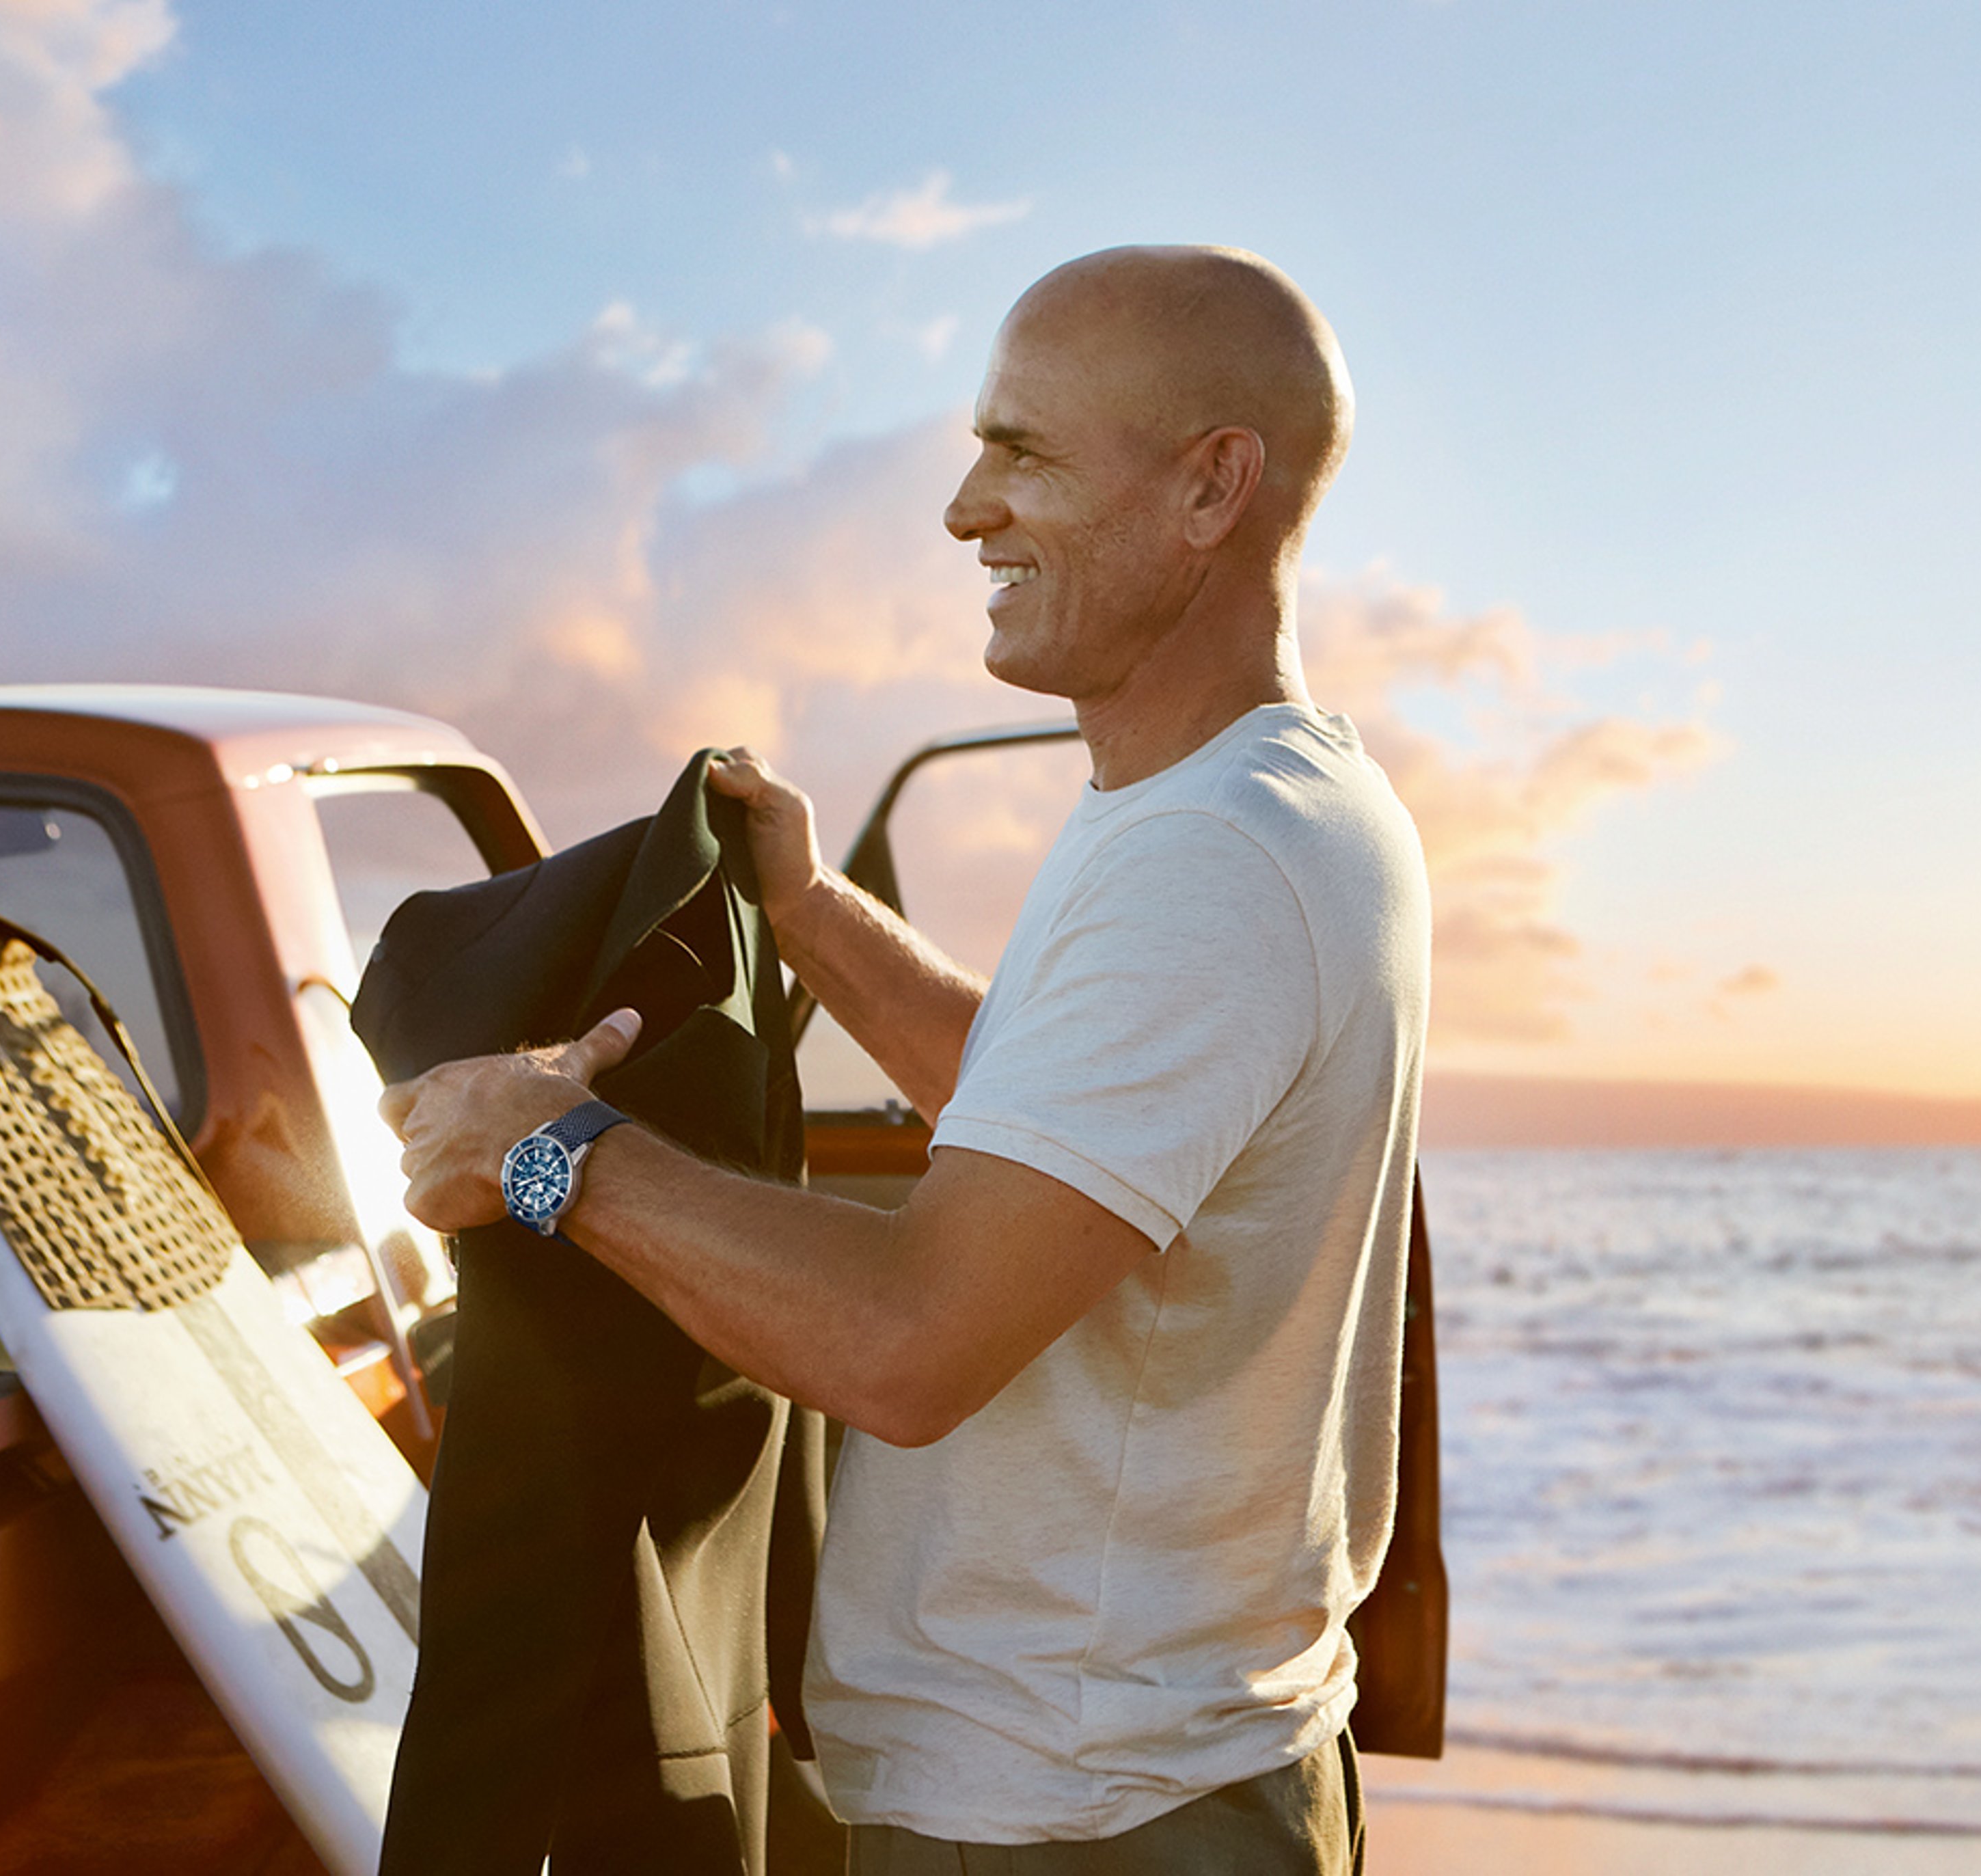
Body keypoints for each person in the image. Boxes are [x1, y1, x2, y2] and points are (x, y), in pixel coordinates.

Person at [380, 245, 1430, 1872]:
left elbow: (908, 1340)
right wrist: (806, 910)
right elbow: (1048, 1115)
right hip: (1159, 1765)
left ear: (1212, 486)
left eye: (1022, 452)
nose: (962, 509)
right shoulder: (1271, 800)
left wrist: (549, 1147)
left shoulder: (1209, 864)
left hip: (1076, 1813)